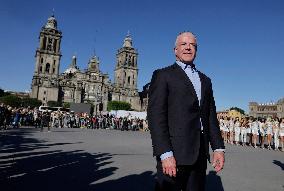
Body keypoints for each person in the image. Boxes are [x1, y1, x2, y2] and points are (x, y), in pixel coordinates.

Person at [148, 32, 225, 191]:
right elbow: (156, 117)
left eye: (192, 45)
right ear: (175, 50)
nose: (188, 47)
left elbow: (210, 116)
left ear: (196, 50)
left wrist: (218, 148)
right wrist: (165, 153)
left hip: (200, 155)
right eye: (184, 44)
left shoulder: (206, 80)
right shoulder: (163, 75)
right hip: (174, 154)